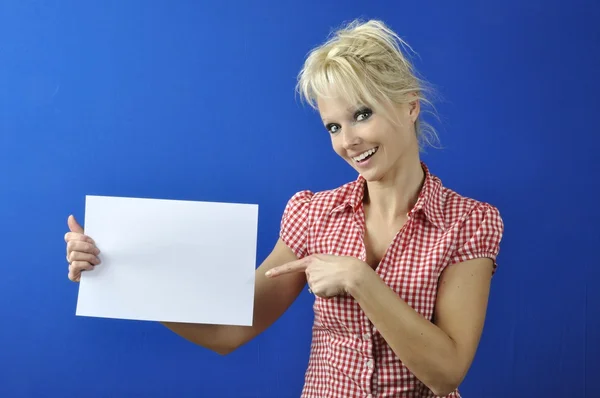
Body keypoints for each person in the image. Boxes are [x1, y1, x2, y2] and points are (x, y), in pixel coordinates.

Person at [64, 19, 504, 398]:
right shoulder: (312, 215)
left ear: (410, 105)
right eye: (333, 126)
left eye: (362, 114)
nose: (347, 141)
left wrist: (360, 280)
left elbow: (447, 373)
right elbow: (228, 331)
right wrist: (120, 272)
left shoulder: (469, 222)